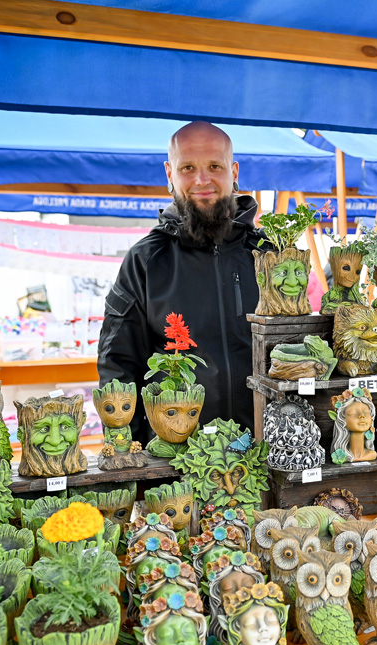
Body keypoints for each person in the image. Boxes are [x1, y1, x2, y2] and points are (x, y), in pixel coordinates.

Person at [98, 121, 263, 440]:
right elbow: (118, 367)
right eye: (188, 168)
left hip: (266, 452)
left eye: (215, 166)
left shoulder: (271, 255)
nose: (202, 180)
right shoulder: (146, 260)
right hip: (176, 456)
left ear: (234, 172)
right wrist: (130, 451)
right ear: (169, 174)